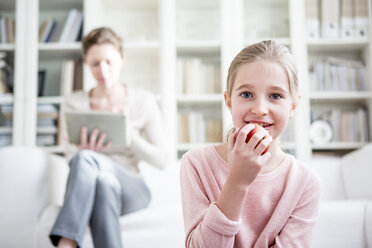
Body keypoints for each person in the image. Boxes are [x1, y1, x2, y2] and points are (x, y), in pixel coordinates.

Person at [180, 40, 321, 248]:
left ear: (293, 106)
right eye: (246, 94)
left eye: (275, 96)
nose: (260, 109)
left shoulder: (305, 182)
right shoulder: (196, 164)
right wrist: (237, 181)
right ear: (229, 101)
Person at [49, 27, 168, 248]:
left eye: (108, 62)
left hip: (133, 190)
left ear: (122, 59)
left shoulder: (143, 101)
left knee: (86, 158)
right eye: (95, 63)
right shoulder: (73, 103)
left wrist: (131, 137)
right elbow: (70, 157)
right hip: (96, 186)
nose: (102, 70)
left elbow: (162, 160)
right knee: (102, 180)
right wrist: (86, 152)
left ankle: (66, 242)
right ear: (86, 62)